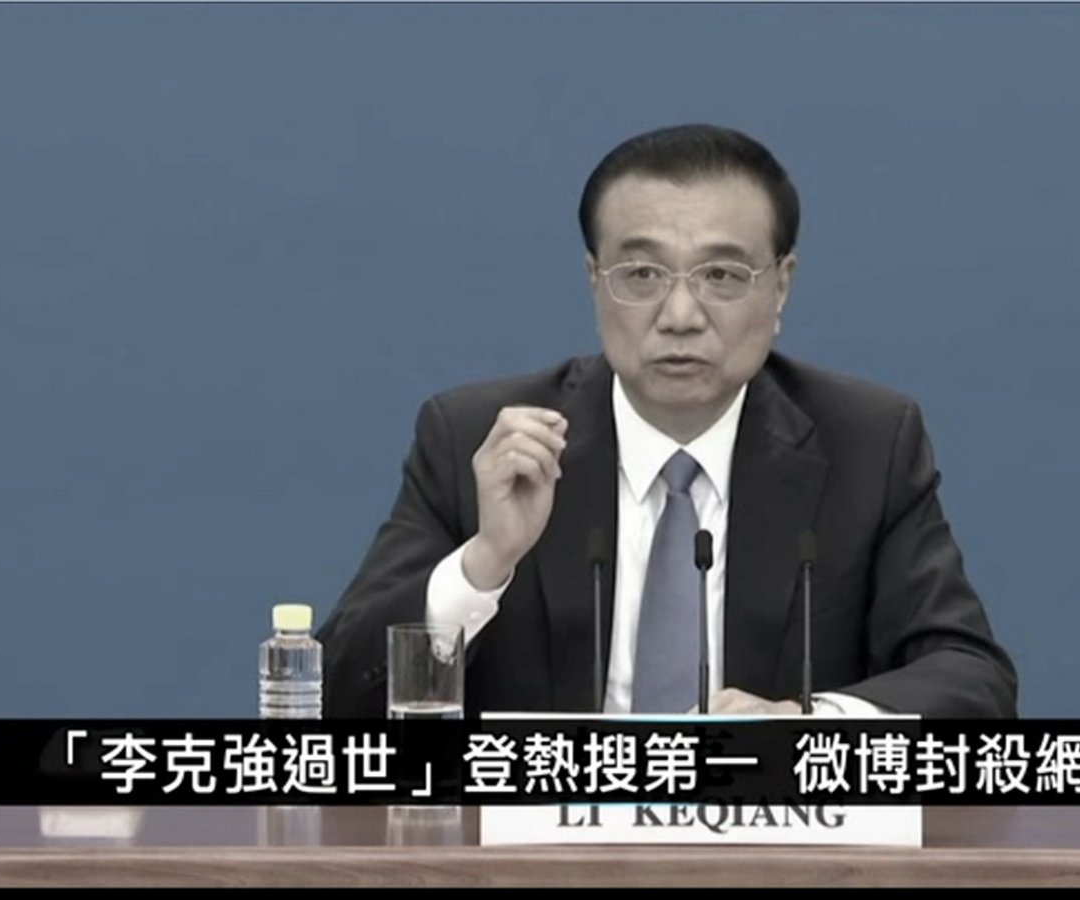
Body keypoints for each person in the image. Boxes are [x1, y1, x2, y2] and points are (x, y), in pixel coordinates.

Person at [316, 124, 1018, 720]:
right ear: (595, 282)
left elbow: (972, 681)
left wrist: (806, 724)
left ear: (781, 287)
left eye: (722, 276)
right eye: (642, 275)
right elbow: (335, 697)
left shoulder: (867, 443)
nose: (680, 316)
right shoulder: (481, 440)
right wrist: (484, 563)